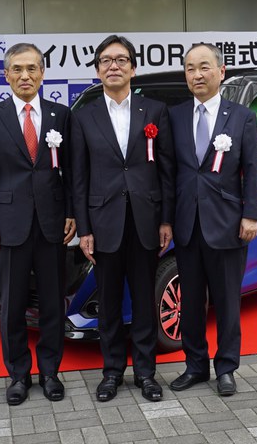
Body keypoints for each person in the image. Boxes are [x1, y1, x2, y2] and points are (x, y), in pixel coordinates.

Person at [71, 35, 175, 402]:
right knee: (110, 303)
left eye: (120, 60)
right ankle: (112, 372)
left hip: (146, 222)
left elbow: (166, 171)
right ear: (98, 70)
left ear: (133, 68)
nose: (113, 66)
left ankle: (146, 373)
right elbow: (79, 178)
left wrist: (166, 220)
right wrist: (84, 228)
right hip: (104, 225)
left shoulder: (155, 111)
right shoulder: (82, 117)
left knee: (144, 301)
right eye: (106, 60)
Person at [0, 43, 76, 405]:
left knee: (52, 303)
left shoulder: (61, 115)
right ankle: (18, 374)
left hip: (52, 223)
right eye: (17, 69)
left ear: (43, 73)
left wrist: (72, 212)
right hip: (9, 224)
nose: (25, 75)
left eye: (32, 68)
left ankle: (50, 372)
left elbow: (72, 171)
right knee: (12, 305)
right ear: (6, 75)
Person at [168, 43, 257, 396]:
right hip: (187, 225)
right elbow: (169, 173)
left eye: (204, 67)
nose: (197, 75)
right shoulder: (174, 116)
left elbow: (252, 170)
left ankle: (226, 368)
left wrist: (250, 215)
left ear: (221, 72)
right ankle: (195, 366)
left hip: (227, 224)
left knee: (227, 302)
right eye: (190, 68)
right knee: (191, 303)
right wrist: (166, 220)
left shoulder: (241, 117)